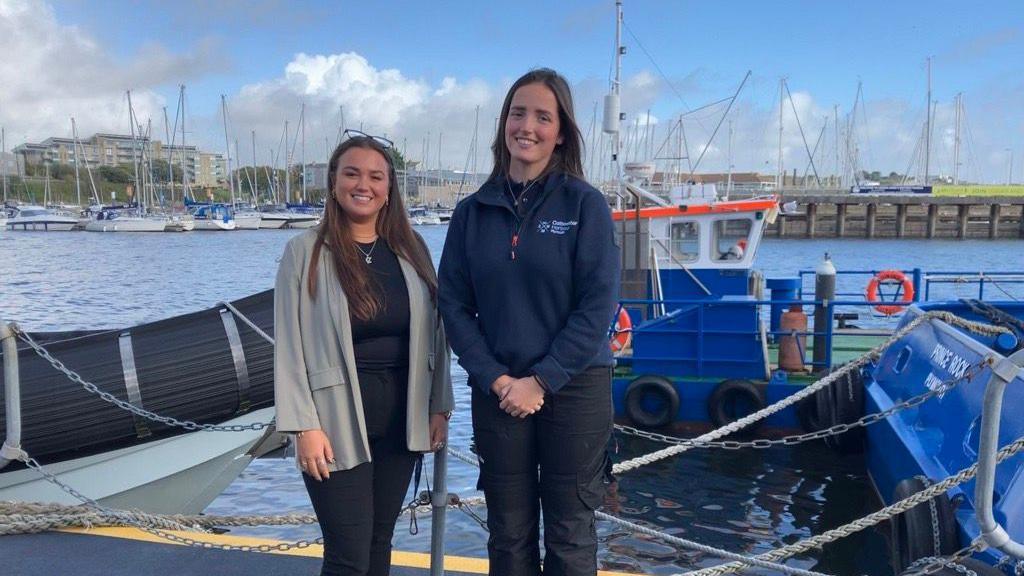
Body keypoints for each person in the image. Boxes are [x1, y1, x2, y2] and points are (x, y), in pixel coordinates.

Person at [438, 69, 621, 576]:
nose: (528, 126)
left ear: (560, 132)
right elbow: (454, 306)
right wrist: (497, 379)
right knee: (508, 533)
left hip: (575, 387)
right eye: (518, 113)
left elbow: (598, 304)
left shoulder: (585, 205)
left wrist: (542, 380)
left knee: (570, 536)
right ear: (503, 124)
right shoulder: (472, 213)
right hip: (498, 391)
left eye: (543, 116)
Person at [274, 131, 454, 576]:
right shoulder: (305, 253)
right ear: (334, 181)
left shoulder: (412, 250)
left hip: (403, 419)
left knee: (378, 542)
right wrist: (303, 425)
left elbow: (436, 334)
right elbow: (289, 344)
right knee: (347, 553)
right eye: (352, 173)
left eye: (376, 176)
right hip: (333, 422)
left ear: (389, 188)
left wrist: (439, 407)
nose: (364, 184)